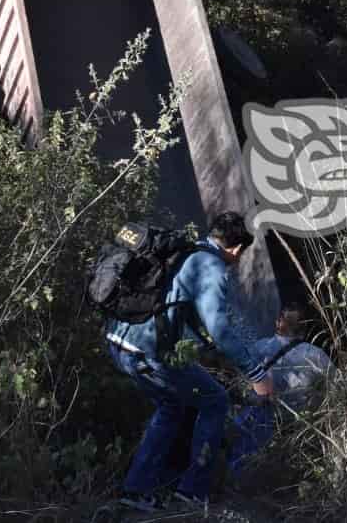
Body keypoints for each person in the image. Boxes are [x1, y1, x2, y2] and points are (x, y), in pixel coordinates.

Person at [105, 211, 274, 512]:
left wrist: (203, 343)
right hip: (145, 350)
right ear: (236, 250)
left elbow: (184, 311)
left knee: (172, 405)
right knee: (216, 401)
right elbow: (220, 329)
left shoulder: (186, 250)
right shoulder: (212, 266)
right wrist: (257, 374)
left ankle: (138, 489)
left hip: (117, 341)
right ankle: (193, 492)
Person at [227, 303, 333, 473]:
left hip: (263, 424)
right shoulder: (316, 355)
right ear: (304, 328)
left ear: (278, 323)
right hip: (301, 431)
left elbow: (240, 383)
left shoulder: (259, 348)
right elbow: (337, 388)